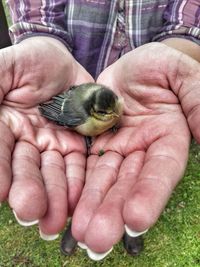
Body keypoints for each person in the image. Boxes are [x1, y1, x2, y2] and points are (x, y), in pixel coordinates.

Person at [1, 0, 200, 260]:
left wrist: (182, 46)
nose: (116, 115)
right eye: (107, 116)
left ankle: (131, 228)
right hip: (73, 61)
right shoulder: (80, 114)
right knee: (77, 181)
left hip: (141, 75)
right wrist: (41, 38)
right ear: (93, 112)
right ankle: (75, 222)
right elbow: (57, 108)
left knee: (128, 187)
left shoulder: (115, 100)